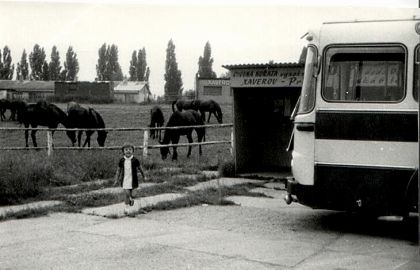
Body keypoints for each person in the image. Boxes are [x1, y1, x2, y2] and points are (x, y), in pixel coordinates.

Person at [114, 143, 146, 215]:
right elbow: (118, 170)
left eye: (130, 149)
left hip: (134, 180)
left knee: (133, 194)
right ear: (123, 151)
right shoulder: (122, 160)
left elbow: (140, 169)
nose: (128, 151)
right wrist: (116, 179)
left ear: (133, 151)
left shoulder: (135, 160)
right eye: (126, 150)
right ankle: (127, 208)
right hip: (125, 180)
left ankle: (132, 199)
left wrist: (144, 176)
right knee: (127, 194)